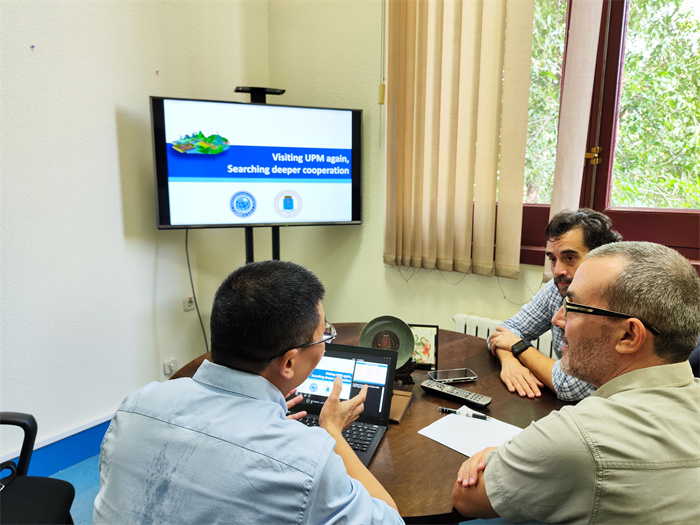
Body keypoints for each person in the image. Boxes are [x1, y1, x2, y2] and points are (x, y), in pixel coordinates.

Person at [93, 260, 403, 524]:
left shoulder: (135, 406)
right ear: (289, 362)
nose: (325, 342)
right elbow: (391, 519)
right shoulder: (306, 459)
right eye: (323, 335)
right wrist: (332, 432)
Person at [453, 241, 700, 523]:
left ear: (628, 336)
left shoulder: (578, 437)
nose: (558, 319)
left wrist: (500, 455)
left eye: (573, 307)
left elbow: (466, 499)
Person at [488, 208, 621, 401]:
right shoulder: (559, 287)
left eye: (569, 258)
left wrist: (518, 347)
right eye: (552, 259)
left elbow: (571, 386)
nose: (557, 271)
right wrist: (509, 361)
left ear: (600, 258)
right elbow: (505, 331)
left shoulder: (614, 300)